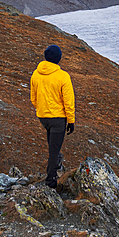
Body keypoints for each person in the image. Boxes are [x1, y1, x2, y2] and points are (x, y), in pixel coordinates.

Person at [30, 44, 75, 188]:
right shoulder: (63, 76)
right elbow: (69, 101)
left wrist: (42, 109)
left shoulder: (36, 74)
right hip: (58, 119)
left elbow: (33, 98)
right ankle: (51, 181)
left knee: (53, 145)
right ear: (58, 58)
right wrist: (71, 121)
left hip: (43, 117)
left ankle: (57, 165)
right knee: (54, 151)